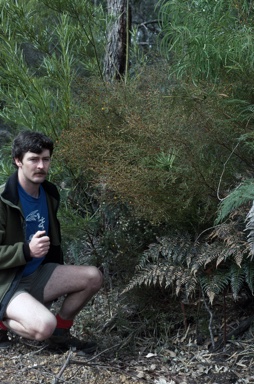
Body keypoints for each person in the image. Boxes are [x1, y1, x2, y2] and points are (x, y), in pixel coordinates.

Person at [0, 130, 103, 352]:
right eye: (33, 159)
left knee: (93, 277)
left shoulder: (49, 194)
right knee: (43, 326)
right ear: (18, 161)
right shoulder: (3, 200)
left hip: (37, 275)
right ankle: (1, 321)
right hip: (7, 282)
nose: (40, 166)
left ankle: (60, 334)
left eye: (45, 159)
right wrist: (26, 251)